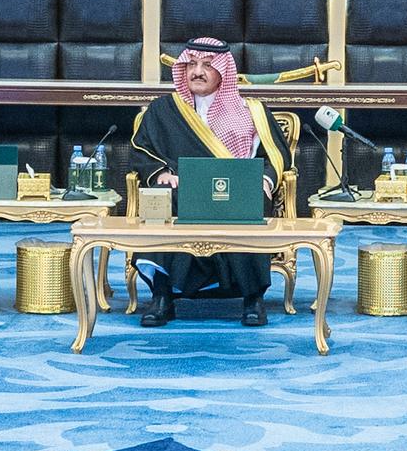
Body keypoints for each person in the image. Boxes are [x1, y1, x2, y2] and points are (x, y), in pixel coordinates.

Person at [123, 36, 323, 327]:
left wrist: (265, 180)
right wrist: (161, 173)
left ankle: (252, 297)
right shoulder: (163, 110)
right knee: (160, 199)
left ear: (223, 71)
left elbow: (276, 155)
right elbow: (141, 150)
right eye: (191, 64)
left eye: (207, 65)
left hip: (235, 191)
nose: (197, 72)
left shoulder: (251, 110)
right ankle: (162, 296)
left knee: (250, 199)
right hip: (183, 189)